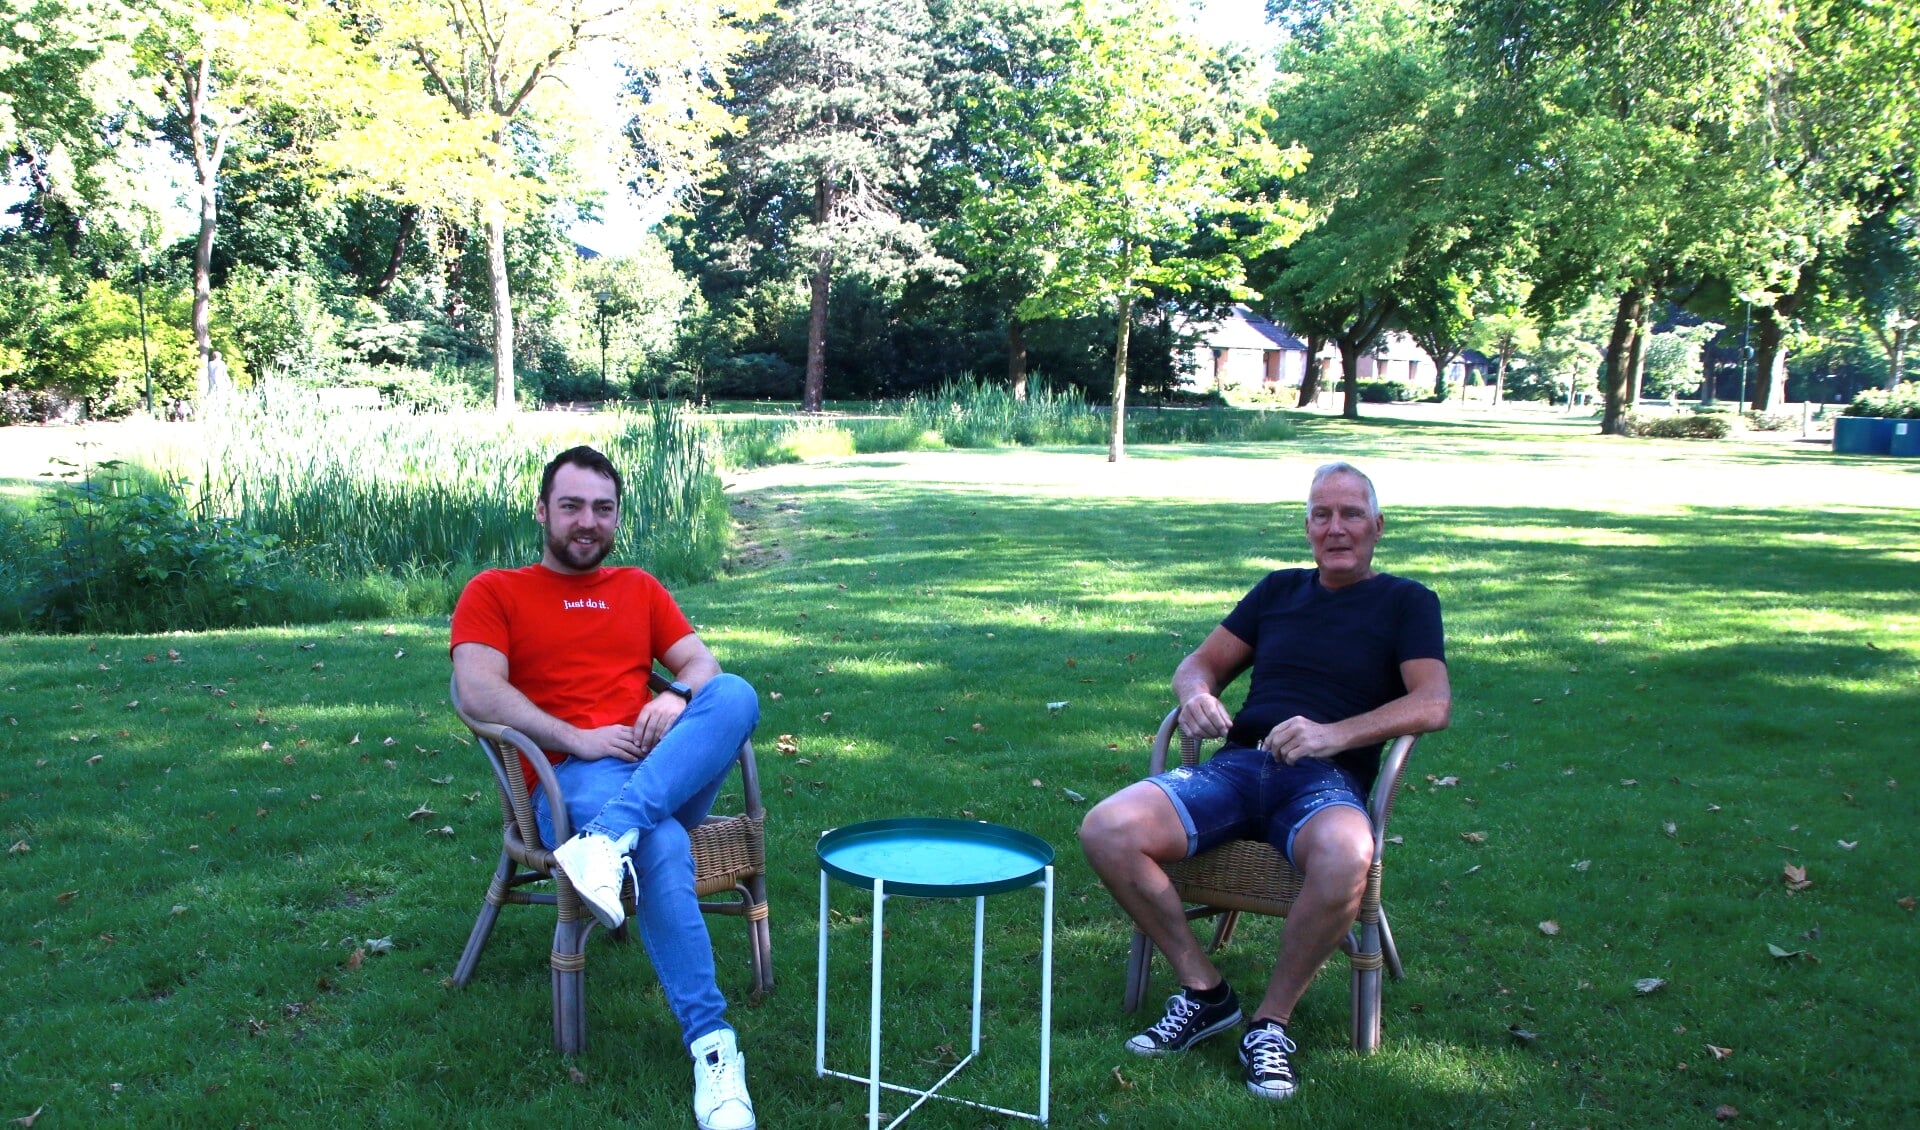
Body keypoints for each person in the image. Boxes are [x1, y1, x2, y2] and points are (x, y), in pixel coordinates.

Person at [1078, 461, 1450, 1101]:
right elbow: (1200, 664)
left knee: (1348, 852)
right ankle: (1206, 991)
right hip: (1237, 767)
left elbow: (1431, 703)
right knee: (1106, 827)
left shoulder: (1406, 602)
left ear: (1377, 527)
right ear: (1307, 527)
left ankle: (1269, 1024)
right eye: (1321, 515)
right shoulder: (1278, 591)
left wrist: (1334, 734)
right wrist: (1195, 695)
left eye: (1351, 514)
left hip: (1325, 781)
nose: (1336, 528)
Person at [450, 445, 761, 1130]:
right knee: (665, 848)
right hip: (570, 785)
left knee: (735, 692)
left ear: (616, 516)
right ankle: (714, 1049)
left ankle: (610, 836)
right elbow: (475, 689)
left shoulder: (639, 588)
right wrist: (579, 738)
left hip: (658, 770)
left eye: (602, 508)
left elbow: (701, 665)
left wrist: (678, 696)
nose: (587, 521)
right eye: (571, 506)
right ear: (541, 511)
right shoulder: (496, 591)